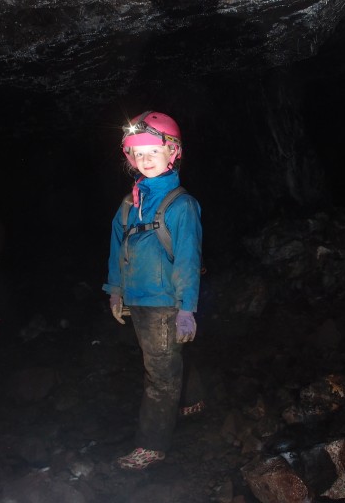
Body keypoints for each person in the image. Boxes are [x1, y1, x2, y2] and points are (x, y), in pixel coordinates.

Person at [103, 110, 205, 471]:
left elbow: (188, 259)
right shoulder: (129, 204)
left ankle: (151, 444)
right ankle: (192, 399)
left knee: (159, 375)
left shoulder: (181, 205)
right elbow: (117, 248)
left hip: (165, 301)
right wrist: (116, 291)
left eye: (153, 152)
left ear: (172, 152)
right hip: (137, 299)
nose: (145, 160)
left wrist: (186, 309)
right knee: (164, 357)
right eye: (138, 153)